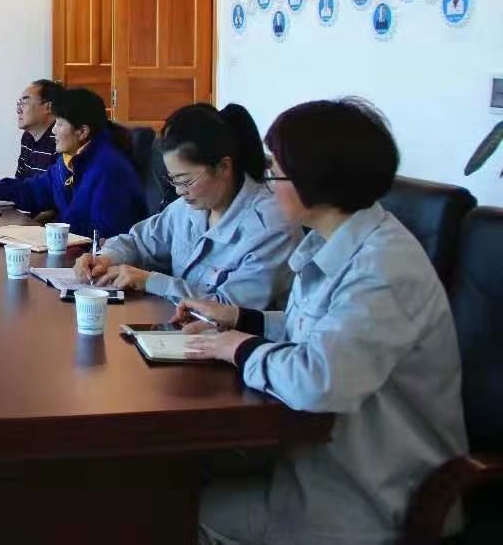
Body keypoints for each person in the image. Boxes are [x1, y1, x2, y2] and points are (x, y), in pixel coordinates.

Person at [173, 99, 467, 544]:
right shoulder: (337, 242)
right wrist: (239, 319)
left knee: (174, 510)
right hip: (315, 463)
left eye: (275, 172)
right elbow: (317, 332)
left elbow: (318, 380)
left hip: (372, 498)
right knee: (174, 476)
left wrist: (236, 347)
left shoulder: (384, 267)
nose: (268, 185)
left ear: (314, 181)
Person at [78, 104, 298, 308]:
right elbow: (138, 241)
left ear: (223, 167)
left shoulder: (271, 227)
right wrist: (105, 258)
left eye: (186, 181)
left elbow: (230, 309)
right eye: (173, 180)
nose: (178, 191)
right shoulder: (188, 208)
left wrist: (151, 281)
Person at [0, 88, 146, 238]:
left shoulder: (110, 170)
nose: (53, 131)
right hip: (67, 251)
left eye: (59, 124)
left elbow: (108, 234)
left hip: (94, 266)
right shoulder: (67, 162)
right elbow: (33, 191)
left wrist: (50, 232)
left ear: (82, 132)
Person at [13, 79, 61, 180]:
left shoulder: (61, 139)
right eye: (19, 103)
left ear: (48, 107)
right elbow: (19, 182)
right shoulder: (28, 137)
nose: (18, 110)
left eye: (24, 102)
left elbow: (56, 187)